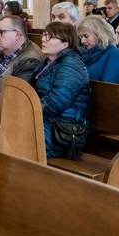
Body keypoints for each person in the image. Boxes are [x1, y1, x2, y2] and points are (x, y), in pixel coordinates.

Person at [29, 22, 90, 160]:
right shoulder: (47, 62)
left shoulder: (71, 64)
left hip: (63, 131)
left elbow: (55, 102)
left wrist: (27, 107)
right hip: (47, 121)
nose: (43, 39)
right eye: (44, 35)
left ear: (65, 44)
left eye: (50, 37)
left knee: (20, 139)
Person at [0, 16, 43, 92]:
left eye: (0, 32)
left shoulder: (30, 61)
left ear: (17, 35)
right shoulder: (4, 51)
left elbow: (15, 97)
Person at [77, 15, 119, 84]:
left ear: (99, 35)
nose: (82, 41)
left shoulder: (114, 54)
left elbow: (109, 86)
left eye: (86, 36)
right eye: (81, 37)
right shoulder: (84, 52)